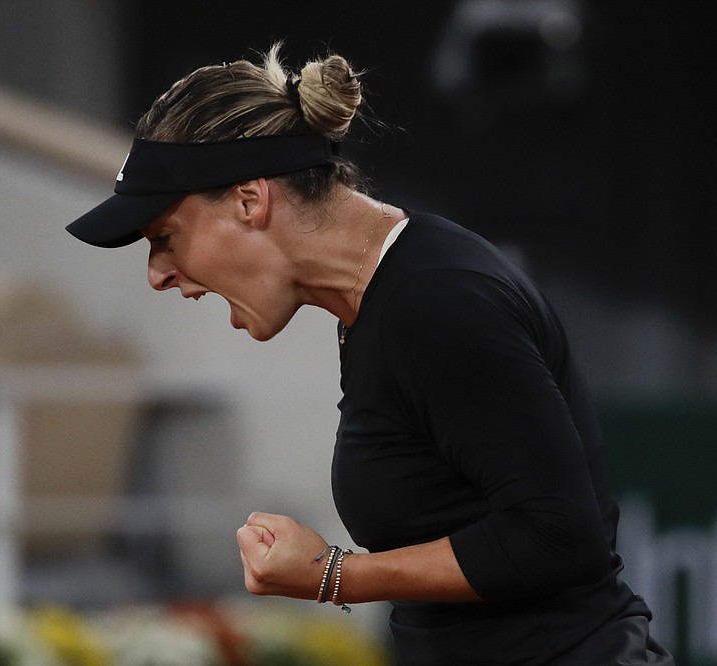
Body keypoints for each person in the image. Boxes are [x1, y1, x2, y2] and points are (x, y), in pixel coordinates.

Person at [66, 44, 673, 666]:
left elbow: (560, 537)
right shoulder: (386, 292)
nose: (158, 276)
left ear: (250, 201)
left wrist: (333, 575)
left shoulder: (436, 301)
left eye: (165, 238)